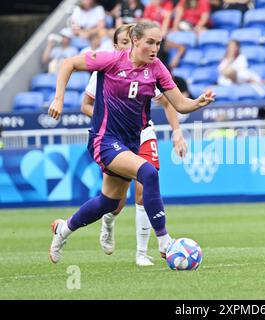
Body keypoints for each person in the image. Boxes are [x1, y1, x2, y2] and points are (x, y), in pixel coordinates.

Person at [48, 20, 216, 264]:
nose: (155, 48)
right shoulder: (111, 60)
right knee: (147, 172)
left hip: (129, 143)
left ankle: (63, 229)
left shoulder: (156, 68)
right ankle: (164, 240)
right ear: (135, 40)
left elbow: (179, 104)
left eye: (158, 43)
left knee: (109, 202)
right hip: (104, 139)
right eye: (150, 42)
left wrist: (198, 102)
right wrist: (58, 99)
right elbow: (68, 63)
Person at [81, 24, 187, 266]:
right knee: (114, 203)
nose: (131, 47)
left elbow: (170, 102)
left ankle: (142, 253)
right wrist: (105, 118)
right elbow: (86, 104)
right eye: (124, 43)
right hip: (112, 136)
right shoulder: (104, 68)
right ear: (118, 46)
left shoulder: (150, 69)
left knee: (143, 186)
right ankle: (108, 222)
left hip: (143, 132)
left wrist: (177, 132)